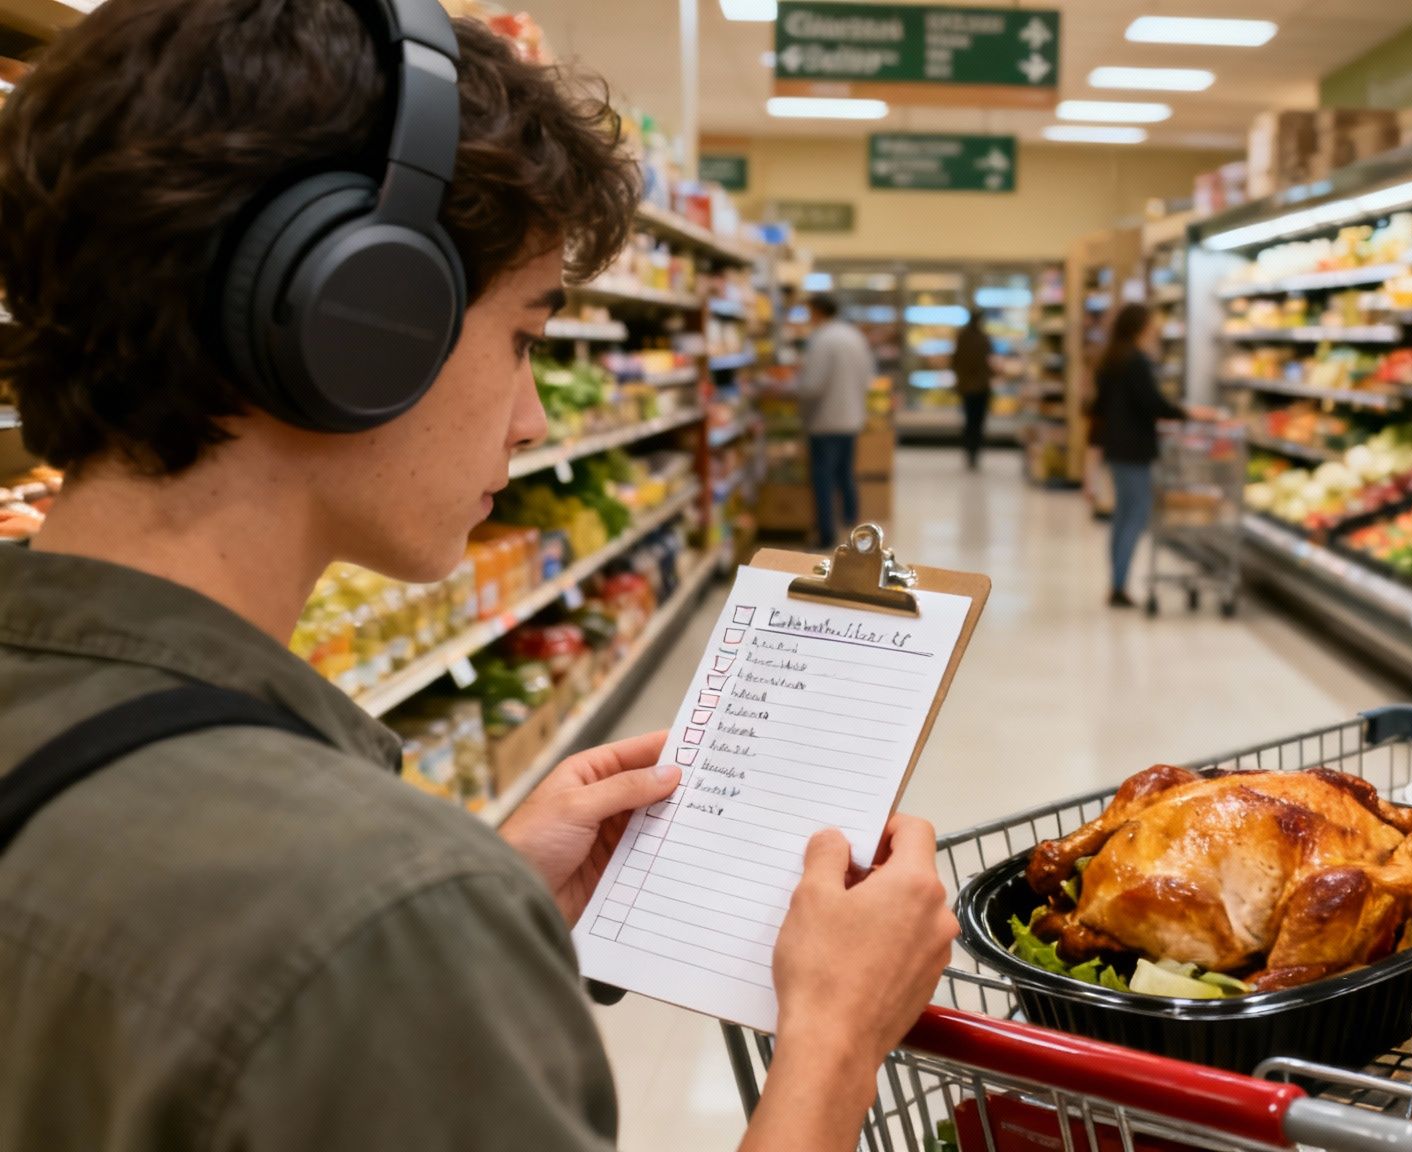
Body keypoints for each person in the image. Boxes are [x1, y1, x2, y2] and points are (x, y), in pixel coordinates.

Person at [0, 3, 955, 1150]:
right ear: (355, 322)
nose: (534, 417)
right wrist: (836, 1039)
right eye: (522, 337)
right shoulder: (368, 907)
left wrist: (475, 914)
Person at [1092, 303, 1185, 608]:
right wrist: (1187, 413)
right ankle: (1119, 585)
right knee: (1137, 514)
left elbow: (1099, 409)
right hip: (1136, 450)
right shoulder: (1137, 362)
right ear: (1139, 327)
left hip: (1116, 448)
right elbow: (1152, 404)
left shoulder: (1110, 361)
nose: (1154, 328)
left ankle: (1116, 580)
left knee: (1122, 515)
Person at [797, 294, 875, 547]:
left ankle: (826, 533)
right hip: (852, 417)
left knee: (823, 477)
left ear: (817, 312)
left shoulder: (821, 339)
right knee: (845, 473)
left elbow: (812, 385)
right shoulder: (854, 336)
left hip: (826, 420)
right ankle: (854, 525)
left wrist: (791, 390)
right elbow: (868, 377)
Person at [950, 309, 995, 469]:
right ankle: (975, 451)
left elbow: (954, 361)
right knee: (978, 421)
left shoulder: (962, 338)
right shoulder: (984, 339)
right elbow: (989, 362)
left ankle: (969, 451)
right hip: (981, 387)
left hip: (967, 387)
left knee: (969, 421)